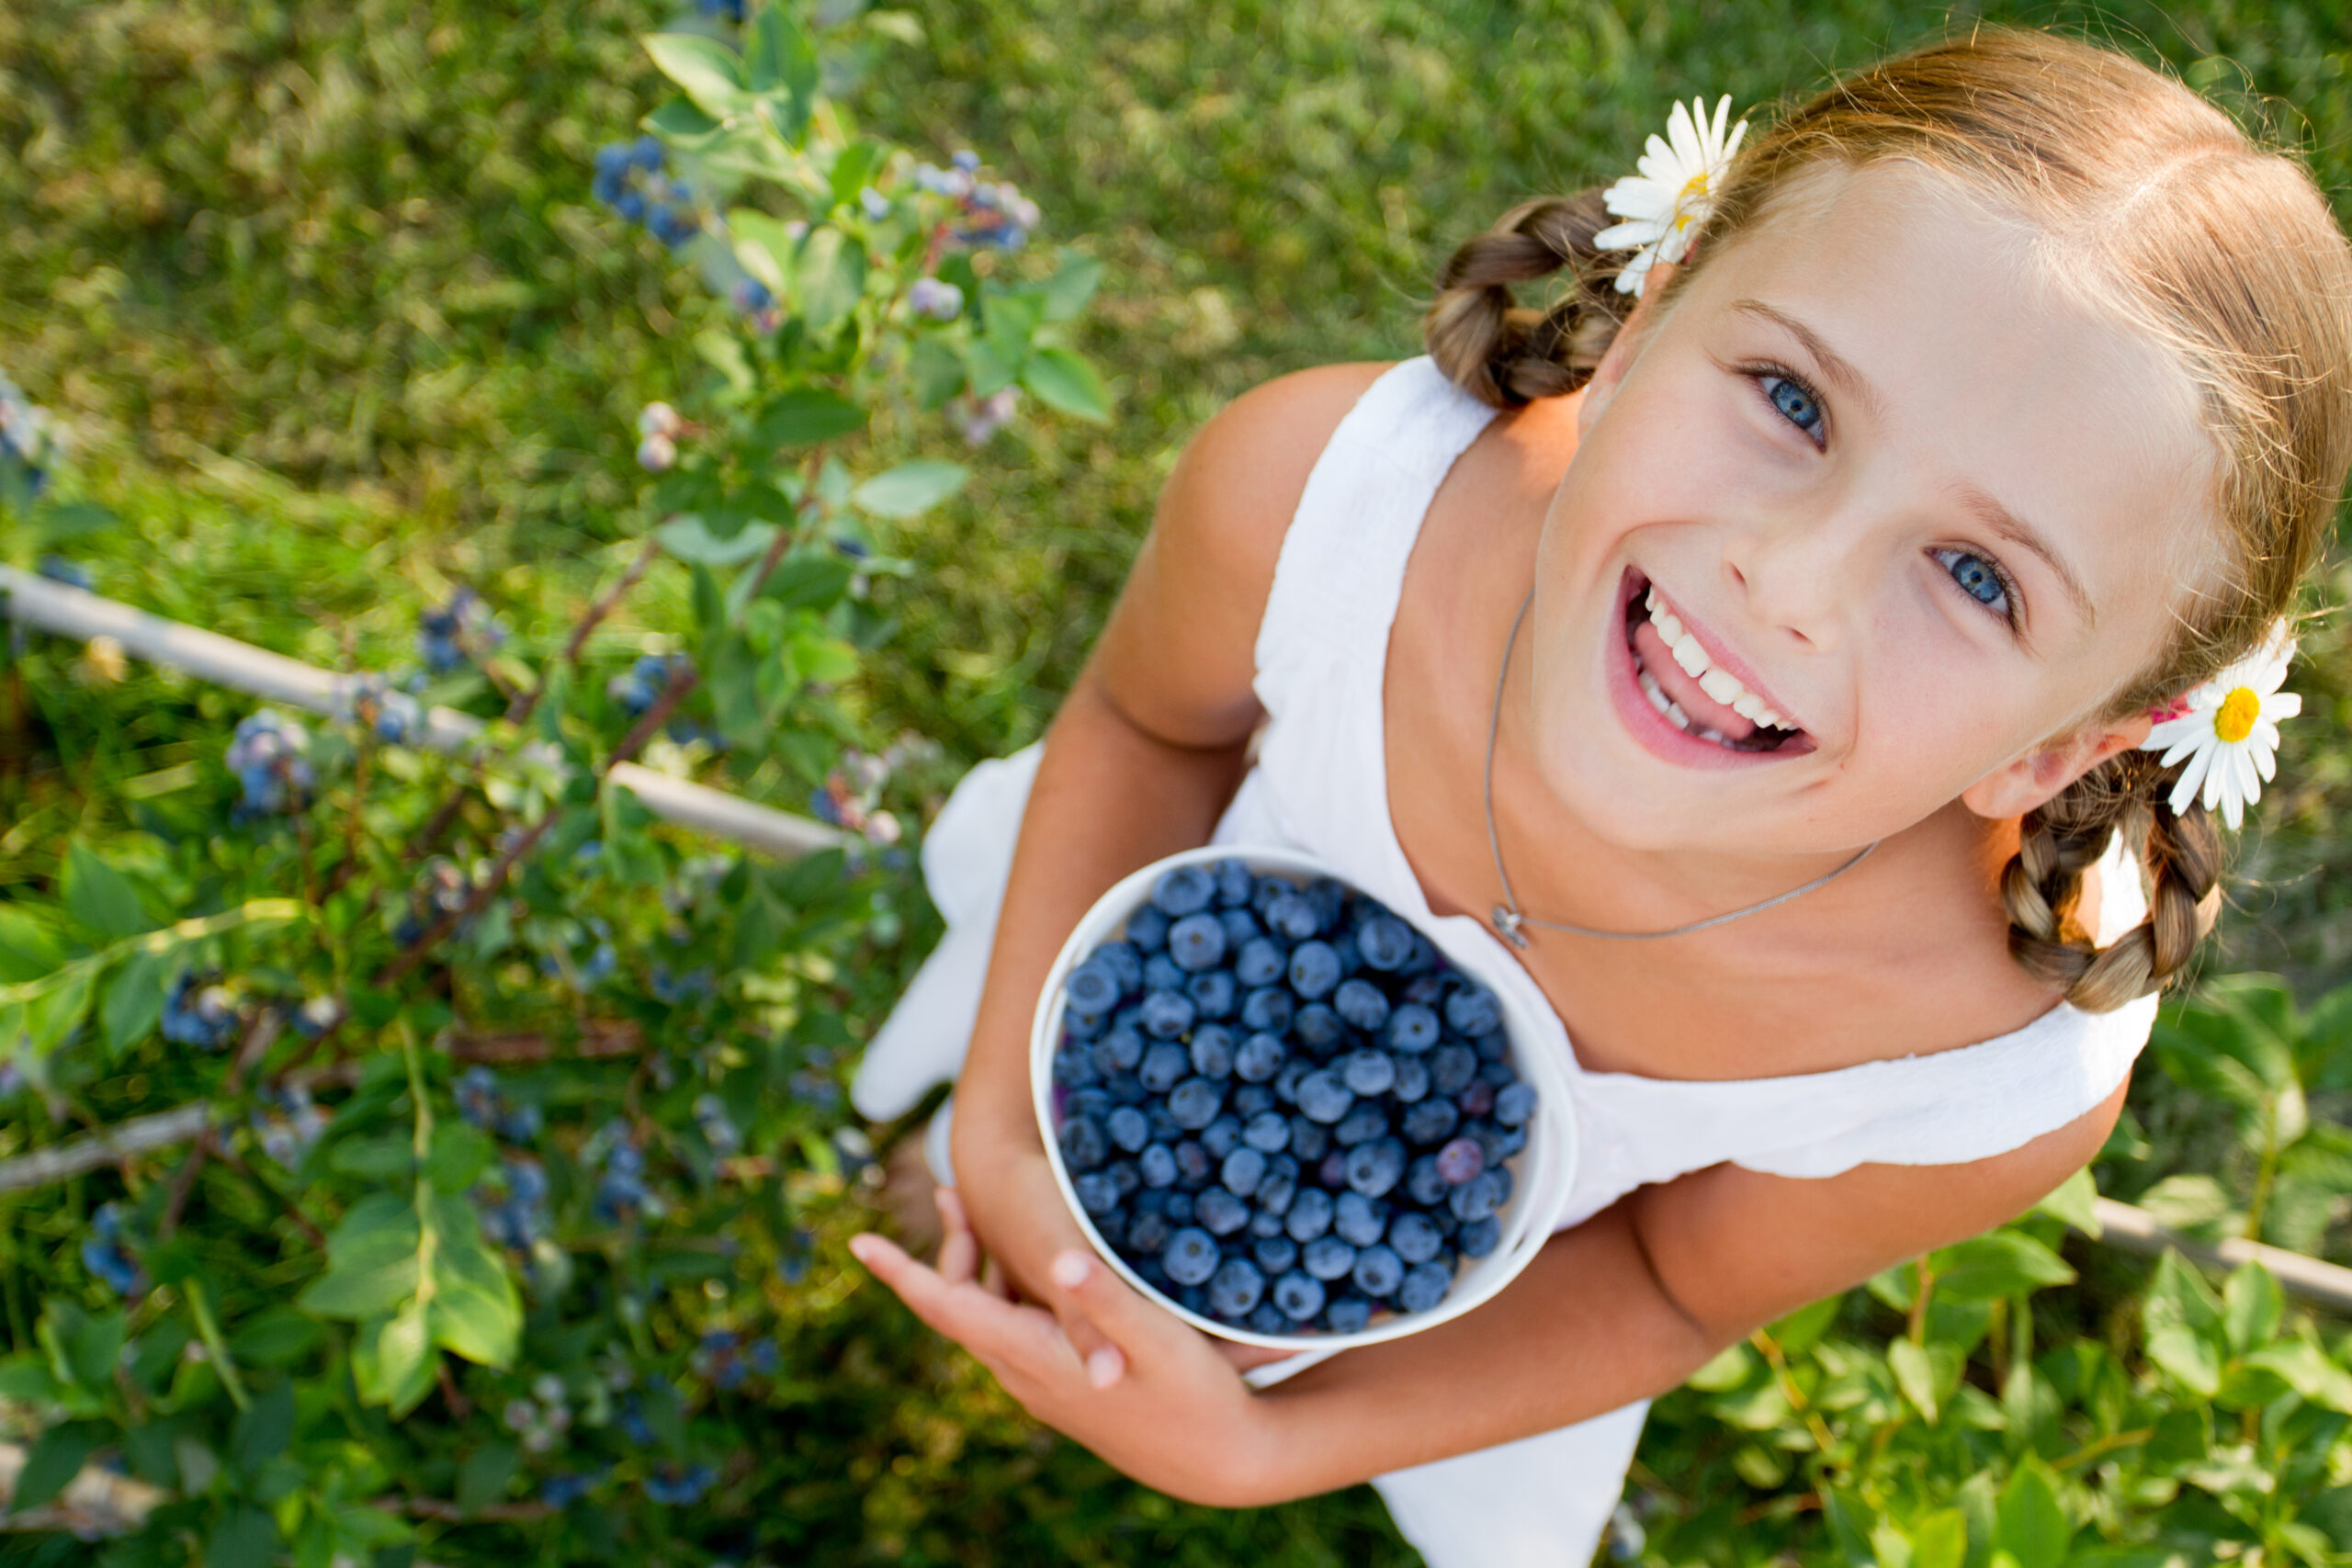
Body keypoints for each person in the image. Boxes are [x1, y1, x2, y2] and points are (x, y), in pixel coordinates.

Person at [844, 27, 2352, 1565]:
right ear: (1639, 332)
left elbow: (1660, 1287)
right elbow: (1143, 733)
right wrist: (1001, 1123)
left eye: (1977, 577)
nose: (1791, 582)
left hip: (1475, 1311)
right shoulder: (1318, 505)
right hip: (1148, 983)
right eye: (1793, 400)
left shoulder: (1977, 1062)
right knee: (1009, 1131)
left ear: (2063, 751)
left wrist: (1265, 1440)